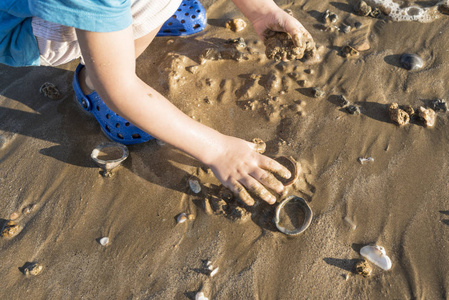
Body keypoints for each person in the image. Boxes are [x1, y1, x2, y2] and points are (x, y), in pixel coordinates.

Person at [0, 0, 314, 206]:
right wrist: (218, 149)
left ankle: (139, 14)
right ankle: (91, 81)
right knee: (142, 20)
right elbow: (119, 86)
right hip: (20, 29)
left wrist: (261, 11)